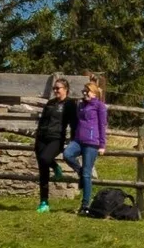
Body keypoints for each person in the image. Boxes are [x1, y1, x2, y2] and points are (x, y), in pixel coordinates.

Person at [63, 75, 109, 215]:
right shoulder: (81, 105)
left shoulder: (99, 106)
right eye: (84, 91)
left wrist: (102, 144)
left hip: (91, 142)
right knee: (67, 154)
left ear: (94, 93)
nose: (84, 93)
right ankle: (80, 171)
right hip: (78, 140)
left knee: (87, 174)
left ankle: (85, 205)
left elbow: (102, 125)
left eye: (87, 91)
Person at [32, 78, 77, 213]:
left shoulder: (70, 104)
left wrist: (74, 141)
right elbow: (43, 120)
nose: (56, 90)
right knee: (42, 170)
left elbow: (73, 123)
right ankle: (44, 202)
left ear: (66, 89)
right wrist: (38, 134)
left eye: (58, 88)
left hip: (56, 139)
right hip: (41, 138)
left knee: (46, 159)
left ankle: (55, 166)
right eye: (54, 88)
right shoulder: (50, 103)